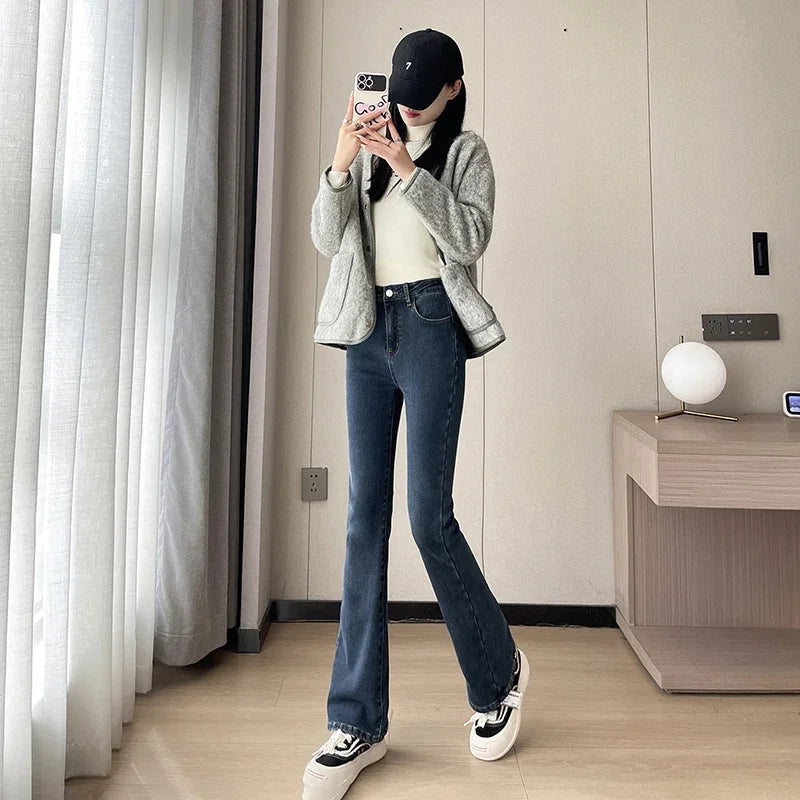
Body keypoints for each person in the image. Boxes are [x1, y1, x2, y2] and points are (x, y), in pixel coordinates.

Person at [302, 29, 529, 800]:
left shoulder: (466, 154)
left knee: (429, 520)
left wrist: (405, 168)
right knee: (363, 519)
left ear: (453, 89)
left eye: (423, 94)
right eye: (400, 92)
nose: (407, 106)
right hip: (368, 333)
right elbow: (326, 239)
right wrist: (342, 163)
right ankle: (355, 721)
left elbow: (469, 239)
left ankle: (497, 676)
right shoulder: (368, 144)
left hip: (432, 326)